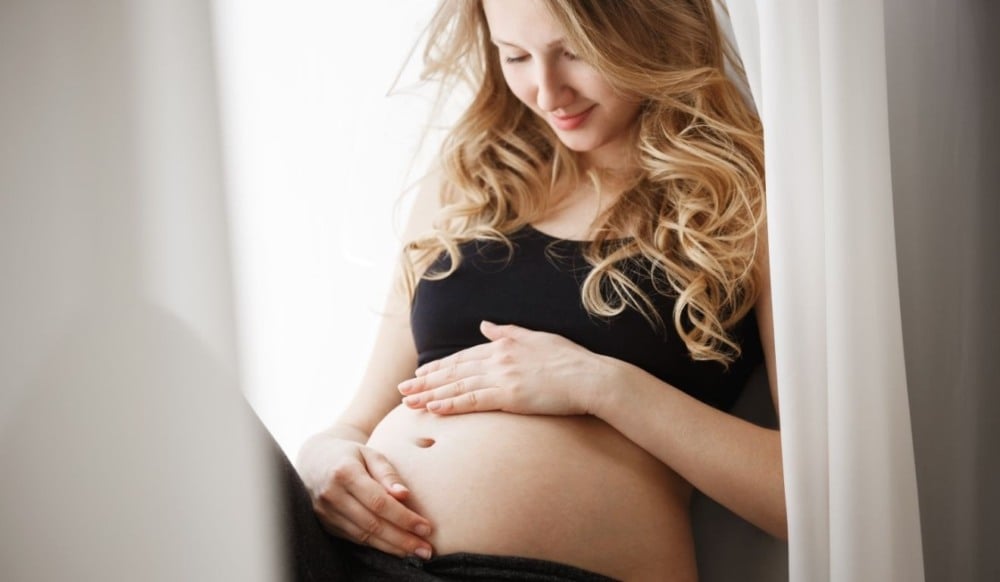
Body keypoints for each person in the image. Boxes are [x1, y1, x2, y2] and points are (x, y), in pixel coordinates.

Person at [282, 0, 785, 580]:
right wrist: (322, 459)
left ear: (652, 27)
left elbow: (817, 494)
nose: (548, 93)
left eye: (575, 53)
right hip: (354, 558)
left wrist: (602, 385)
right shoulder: (470, 175)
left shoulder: (747, 192)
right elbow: (359, 418)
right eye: (515, 56)